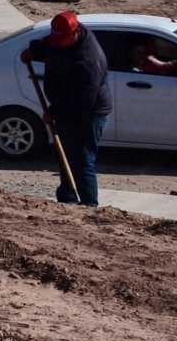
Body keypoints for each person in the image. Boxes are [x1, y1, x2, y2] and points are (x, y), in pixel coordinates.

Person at [22, 10, 111, 206]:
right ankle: (67, 198)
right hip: (67, 103)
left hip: (89, 111)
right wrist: (33, 51)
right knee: (65, 153)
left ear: (75, 33)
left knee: (82, 158)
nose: (57, 42)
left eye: (62, 39)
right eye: (56, 37)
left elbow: (81, 100)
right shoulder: (63, 39)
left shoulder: (88, 60)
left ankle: (89, 205)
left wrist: (55, 112)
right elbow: (49, 44)